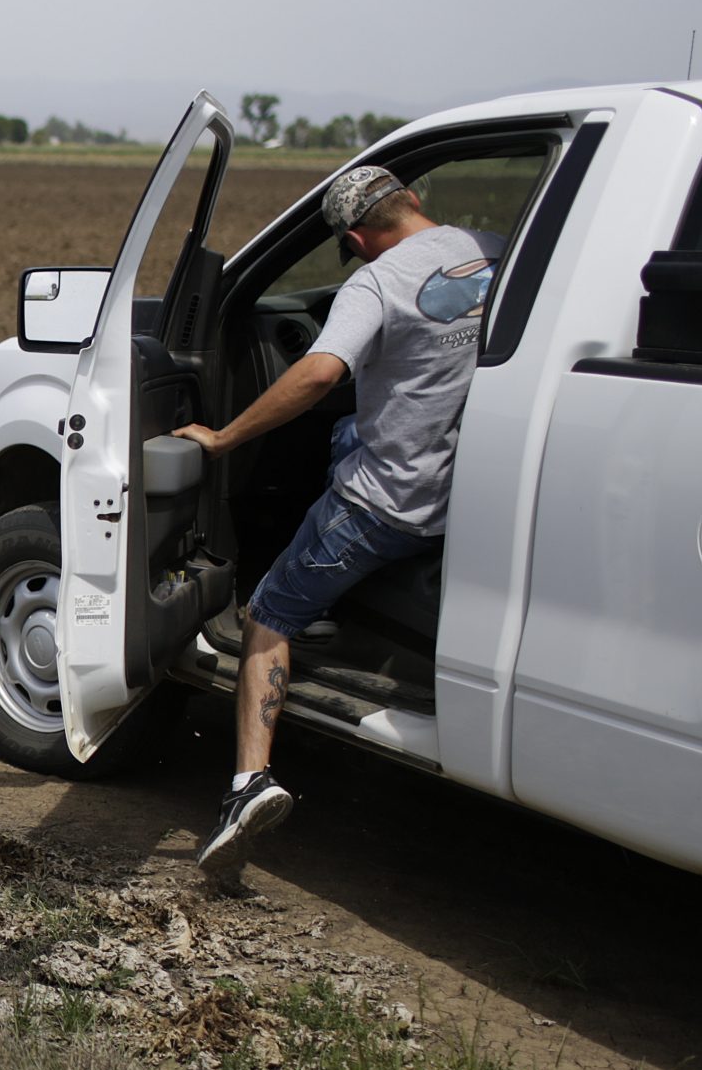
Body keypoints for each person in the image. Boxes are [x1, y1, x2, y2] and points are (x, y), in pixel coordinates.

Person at [171, 164, 505, 877]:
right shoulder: (497, 249)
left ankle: (247, 784)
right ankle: (336, 603)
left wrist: (227, 437)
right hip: (473, 490)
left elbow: (321, 373)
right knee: (347, 431)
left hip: (387, 507)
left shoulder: (375, 284)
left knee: (268, 612)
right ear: (414, 201)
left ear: (356, 237)